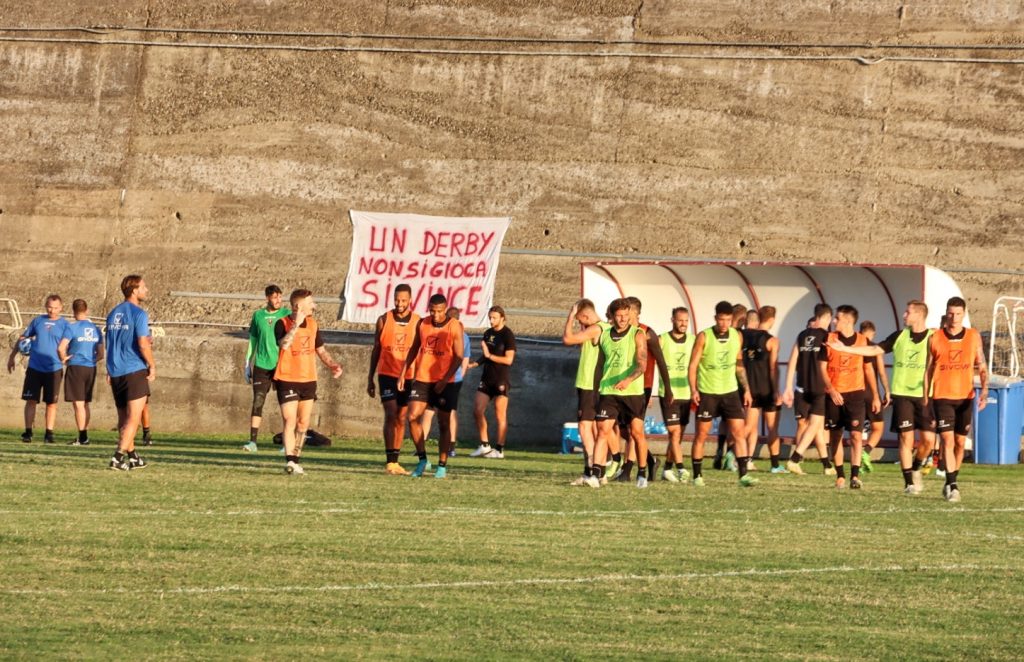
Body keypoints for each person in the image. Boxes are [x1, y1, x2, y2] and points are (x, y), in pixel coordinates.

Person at [828, 300, 934, 494]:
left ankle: (917, 466)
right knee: (905, 439)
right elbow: (874, 350)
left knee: (928, 440)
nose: (904, 315)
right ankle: (909, 482)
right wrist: (845, 349)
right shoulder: (900, 335)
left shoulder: (933, 337)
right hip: (901, 393)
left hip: (924, 395)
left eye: (907, 312)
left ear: (919, 315)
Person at [273, 289, 344, 475]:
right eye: (311, 302)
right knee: (290, 420)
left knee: (303, 424)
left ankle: (295, 459)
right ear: (298, 306)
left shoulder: (313, 324)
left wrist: (332, 364)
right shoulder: (281, 323)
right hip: (287, 378)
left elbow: (320, 350)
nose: (314, 305)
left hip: (308, 379)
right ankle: (289, 459)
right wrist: (295, 326)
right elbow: (284, 345)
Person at [925, 297, 988, 502]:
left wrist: (985, 391)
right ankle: (953, 486)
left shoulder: (973, 336)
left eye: (958, 313)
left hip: (965, 397)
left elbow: (982, 366)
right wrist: (926, 397)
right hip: (942, 396)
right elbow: (928, 370)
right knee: (947, 439)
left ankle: (950, 480)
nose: (954, 317)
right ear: (946, 313)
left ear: (964, 314)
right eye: (951, 313)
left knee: (960, 442)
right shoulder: (935, 338)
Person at [688, 300, 756, 487]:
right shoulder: (704, 336)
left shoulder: (737, 336)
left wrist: (747, 390)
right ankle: (697, 476)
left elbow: (739, 364)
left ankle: (743, 475)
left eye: (727, 320)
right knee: (701, 435)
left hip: (730, 392)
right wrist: (693, 389)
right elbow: (693, 365)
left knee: (739, 433)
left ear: (732, 319)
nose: (724, 323)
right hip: (708, 392)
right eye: (721, 319)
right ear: (715, 318)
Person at [400, 293, 465, 479]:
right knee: (412, 416)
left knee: (443, 423)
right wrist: (404, 372)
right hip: (422, 379)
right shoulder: (423, 324)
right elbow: (414, 348)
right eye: (432, 311)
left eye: (439, 311)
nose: (435, 315)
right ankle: (422, 459)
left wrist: (445, 379)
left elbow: (459, 356)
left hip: (445, 382)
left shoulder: (454, 326)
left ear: (445, 310)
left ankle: (442, 466)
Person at [589, 298, 649, 488]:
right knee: (603, 432)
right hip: (609, 391)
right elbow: (600, 364)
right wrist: (595, 387)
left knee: (637, 433)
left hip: (633, 392)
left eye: (626, 315)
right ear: (612, 317)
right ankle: (596, 474)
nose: (623, 319)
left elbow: (642, 364)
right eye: (619, 316)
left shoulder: (638, 334)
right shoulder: (604, 336)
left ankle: (642, 473)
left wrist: (629, 379)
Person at [615, 296, 674, 483]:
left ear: (636, 313)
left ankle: (628, 469)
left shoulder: (647, 333)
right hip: (621, 386)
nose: (624, 317)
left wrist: (668, 388)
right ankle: (650, 460)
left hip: (642, 387)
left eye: (628, 312)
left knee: (635, 429)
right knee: (623, 431)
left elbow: (662, 362)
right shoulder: (621, 333)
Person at [821, 305, 879, 489]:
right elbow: (822, 368)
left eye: (837, 318)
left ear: (847, 321)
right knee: (836, 435)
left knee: (855, 435)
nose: (833, 321)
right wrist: (831, 389)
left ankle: (855, 476)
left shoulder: (863, 341)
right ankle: (840, 475)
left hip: (855, 394)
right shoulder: (828, 339)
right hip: (834, 394)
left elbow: (869, 370)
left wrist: (876, 395)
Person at [367, 284, 419, 474]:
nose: (399, 303)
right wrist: (369, 378)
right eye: (397, 299)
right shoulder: (384, 320)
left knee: (401, 416)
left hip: (409, 375)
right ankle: (389, 461)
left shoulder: (418, 322)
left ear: (410, 300)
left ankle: (395, 461)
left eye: (403, 300)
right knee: (391, 412)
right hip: (387, 374)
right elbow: (376, 349)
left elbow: (420, 352)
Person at [105, 276, 156, 470]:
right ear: (134, 290)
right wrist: (152, 364)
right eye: (143, 286)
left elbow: (111, 343)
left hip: (116, 371)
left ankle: (133, 457)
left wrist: (109, 369)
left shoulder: (113, 314)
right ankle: (118, 457)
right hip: (134, 369)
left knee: (124, 418)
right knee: (134, 418)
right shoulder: (139, 314)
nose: (146, 290)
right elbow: (143, 343)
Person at [562, 299, 615, 485]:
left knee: (584, 428)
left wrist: (569, 318)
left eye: (580, 320)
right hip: (589, 385)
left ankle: (595, 470)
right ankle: (592, 472)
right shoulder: (602, 328)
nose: (580, 325)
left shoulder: (596, 329)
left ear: (585, 316)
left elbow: (567, 339)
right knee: (591, 429)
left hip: (590, 385)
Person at [7, 295, 69, 444]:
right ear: (45, 306)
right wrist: (12, 356)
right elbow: (23, 338)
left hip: (54, 369)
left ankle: (49, 433)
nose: (52, 310)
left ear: (61, 308)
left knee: (51, 403)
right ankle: (28, 432)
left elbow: (69, 344)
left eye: (55, 307)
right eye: (49, 307)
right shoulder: (38, 321)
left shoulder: (65, 325)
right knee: (31, 400)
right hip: (35, 368)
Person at [783, 305, 837, 476]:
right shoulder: (827, 336)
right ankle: (795, 459)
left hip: (801, 387)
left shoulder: (802, 335)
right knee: (814, 425)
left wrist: (787, 387)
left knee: (818, 428)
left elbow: (792, 361)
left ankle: (827, 465)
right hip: (819, 387)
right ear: (827, 318)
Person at [243, 285, 291, 452]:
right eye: (275, 297)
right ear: (267, 298)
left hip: (281, 365)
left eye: (280, 297)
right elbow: (253, 340)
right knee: (258, 401)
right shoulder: (258, 316)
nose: (278, 300)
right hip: (262, 365)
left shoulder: (287, 315)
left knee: (286, 405)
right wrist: (247, 361)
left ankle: (287, 444)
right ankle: (253, 442)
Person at [470, 306, 516, 459]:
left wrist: (489, 356)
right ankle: (484, 445)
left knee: (500, 414)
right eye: (490, 317)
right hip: (486, 378)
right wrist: (474, 364)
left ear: (502, 318)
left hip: (500, 379)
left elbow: (508, 360)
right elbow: (485, 355)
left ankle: (499, 449)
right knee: (477, 410)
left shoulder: (507, 335)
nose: (491, 320)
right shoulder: (488, 334)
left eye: (494, 317)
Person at [743, 306, 784, 473]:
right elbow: (773, 368)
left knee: (749, 426)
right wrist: (776, 391)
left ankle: (738, 456)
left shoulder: (744, 337)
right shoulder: (772, 341)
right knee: (772, 427)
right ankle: (775, 465)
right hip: (766, 389)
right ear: (772, 320)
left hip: (750, 388)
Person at [57, 299, 103, 446]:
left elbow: (60, 347)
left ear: (73, 311)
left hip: (76, 367)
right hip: (90, 368)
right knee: (85, 403)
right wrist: (91, 360)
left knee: (78, 403)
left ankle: (82, 437)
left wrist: (64, 358)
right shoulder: (96, 329)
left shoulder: (72, 327)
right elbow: (101, 354)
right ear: (87, 310)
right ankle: (84, 435)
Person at [658, 307, 694, 482]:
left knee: (678, 436)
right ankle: (681, 469)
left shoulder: (693, 341)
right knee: (674, 433)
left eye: (686, 321)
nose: (683, 324)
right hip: (669, 393)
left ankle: (667, 468)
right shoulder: (663, 340)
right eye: (680, 320)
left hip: (686, 393)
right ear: (672, 320)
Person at [858, 320, 890, 472]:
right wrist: (887, 390)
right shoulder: (875, 348)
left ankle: (857, 458)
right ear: (873, 333)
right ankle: (866, 452)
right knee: (877, 428)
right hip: (871, 393)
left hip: (855, 392)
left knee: (857, 430)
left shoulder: (854, 347)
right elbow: (882, 372)